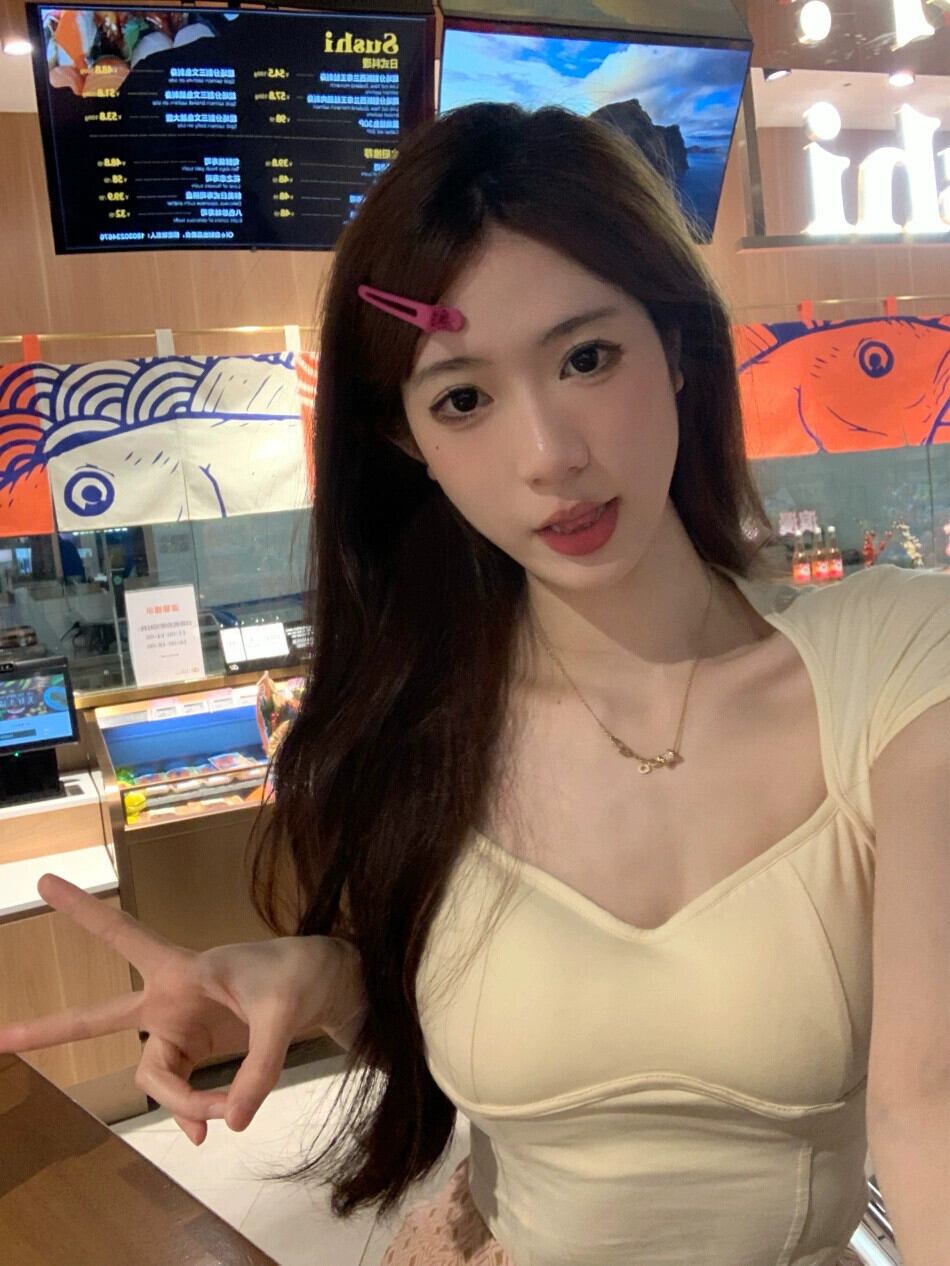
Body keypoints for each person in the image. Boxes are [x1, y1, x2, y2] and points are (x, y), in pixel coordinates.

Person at [2, 104, 948, 1266]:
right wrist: (327, 976)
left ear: (677, 348)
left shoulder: (896, 659)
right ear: (407, 439)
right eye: (461, 397)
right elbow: (493, 1039)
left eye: (585, 357)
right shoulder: (413, 728)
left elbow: (928, 1104)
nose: (549, 454)